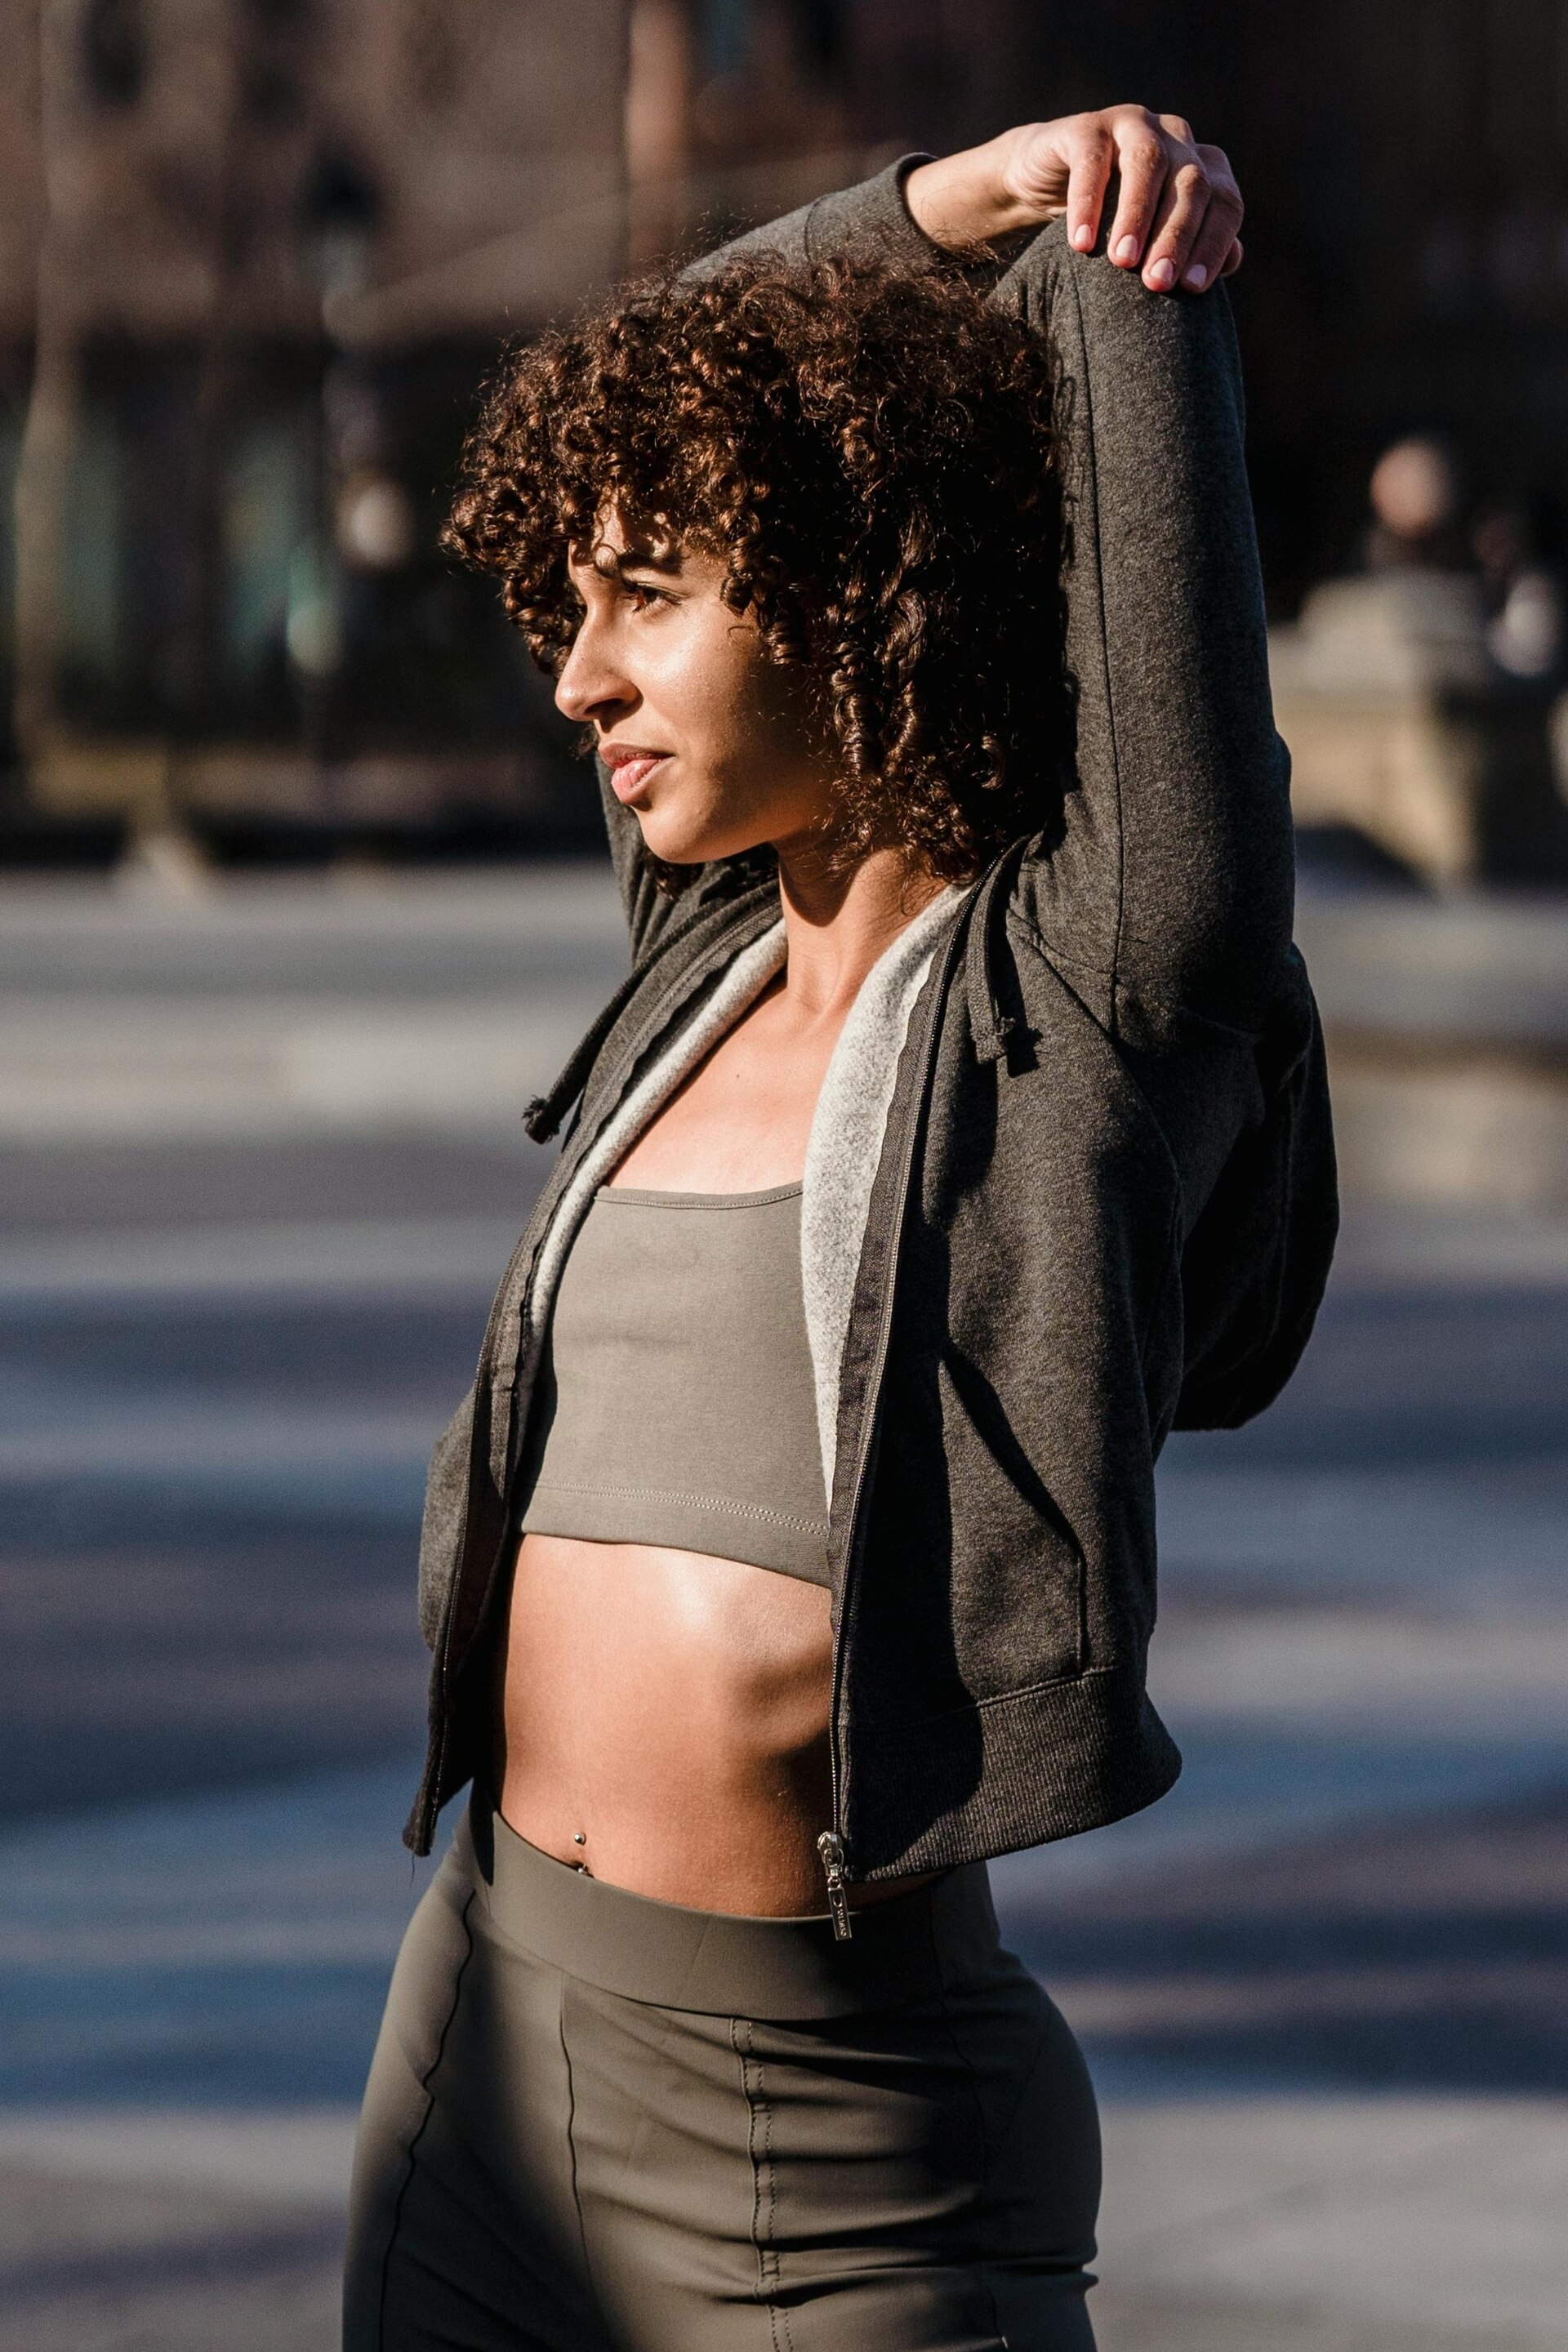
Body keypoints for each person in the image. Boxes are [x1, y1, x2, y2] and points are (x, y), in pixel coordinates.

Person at [344, 108, 1334, 2352]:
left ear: (856, 571)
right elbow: (687, 347)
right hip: (480, 2051)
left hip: (832, 2154)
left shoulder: (1085, 999)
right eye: (570, 603)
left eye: (647, 596)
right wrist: (942, 201)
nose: (576, 677)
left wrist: (1105, 243)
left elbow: (1165, 667)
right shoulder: (699, 947)